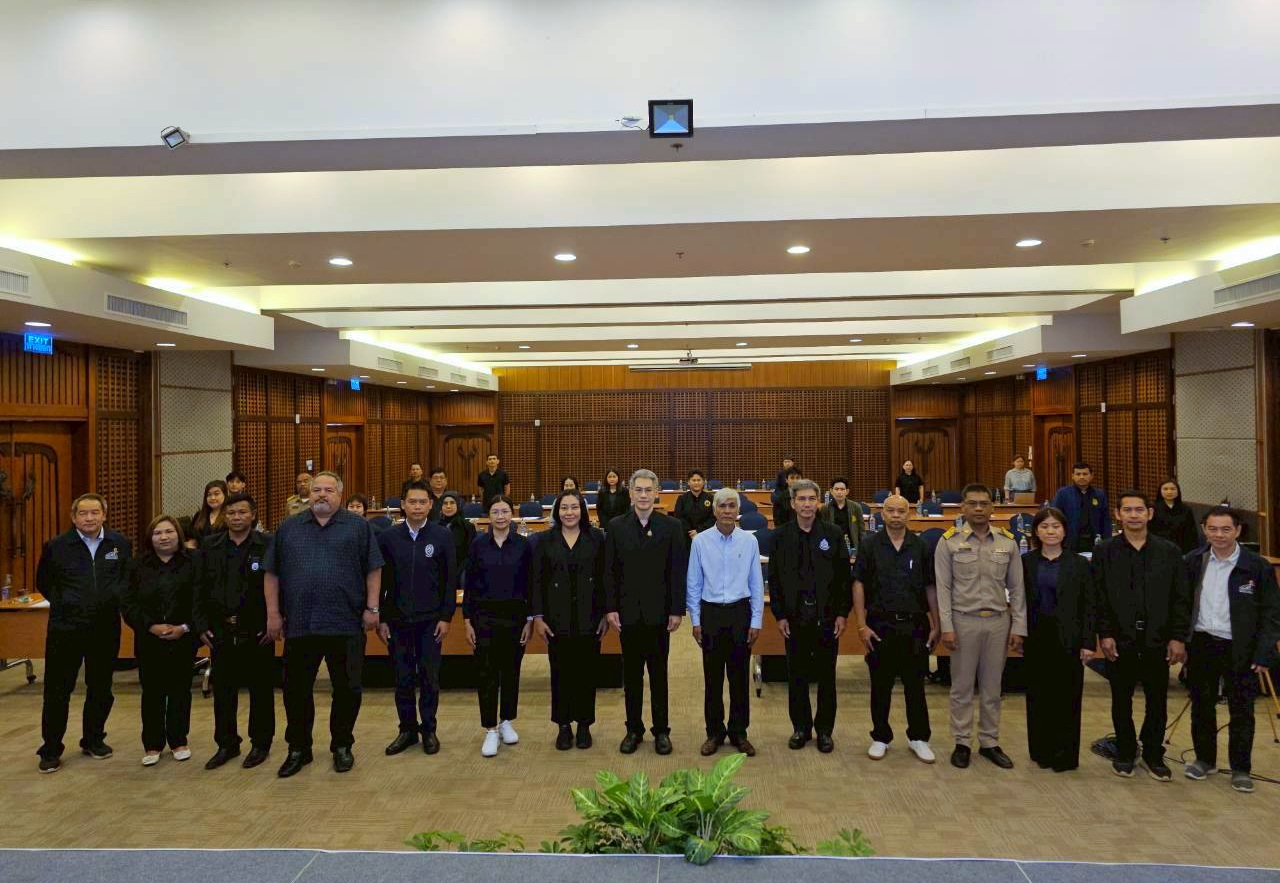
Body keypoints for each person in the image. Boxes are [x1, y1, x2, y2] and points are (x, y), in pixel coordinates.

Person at [265, 471, 384, 777]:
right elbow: (272, 573)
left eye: (328, 490)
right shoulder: (289, 527)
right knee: (296, 690)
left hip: (346, 622)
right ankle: (298, 748)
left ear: (340, 495)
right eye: (316, 489)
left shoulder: (358, 527)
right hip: (300, 623)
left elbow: (373, 569)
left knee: (347, 689)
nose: (321, 494)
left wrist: (373, 607)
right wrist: (273, 614)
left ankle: (342, 745)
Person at [1092, 490, 1190, 781]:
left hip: (1158, 638)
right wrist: (1105, 633)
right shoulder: (1105, 551)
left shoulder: (1169, 551)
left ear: (1150, 514)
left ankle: (1153, 753)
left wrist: (1178, 637)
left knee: (1157, 700)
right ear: (1118, 514)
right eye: (1128, 510)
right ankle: (1125, 751)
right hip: (1119, 638)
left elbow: (1181, 598)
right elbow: (1099, 596)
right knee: (1121, 699)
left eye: (1139, 510)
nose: (1133, 515)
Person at [1182, 508, 1280, 793]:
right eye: (1213, 529)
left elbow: (1272, 613)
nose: (1219, 535)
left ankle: (1240, 768)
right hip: (1202, 643)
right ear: (1204, 530)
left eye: (1226, 529)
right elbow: (1180, 604)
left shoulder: (1257, 566)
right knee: (1201, 705)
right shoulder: (1193, 561)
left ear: (1238, 531)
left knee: (1242, 710)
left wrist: (1264, 652)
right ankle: (1204, 760)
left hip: (1241, 647)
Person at [35, 493, 132, 773]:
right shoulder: (56, 546)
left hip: (105, 628)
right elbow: (44, 582)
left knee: (100, 687)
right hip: (65, 629)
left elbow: (126, 578)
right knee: (58, 690)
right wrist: (67, 602)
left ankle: (93, 739)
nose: (89, 518)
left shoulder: (119, 543)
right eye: (83, 513)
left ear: (104, 515)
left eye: (94, 513)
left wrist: (112, 599)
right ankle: (51, 748)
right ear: (73, 517)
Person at [935, 483, 1026, 770]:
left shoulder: (1007, 542)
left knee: (992, 688)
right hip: (963, 621)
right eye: (972, 503)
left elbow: (1017, 589)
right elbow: (943, 589)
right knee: (961, 687)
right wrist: (946, 626)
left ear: (992, 508)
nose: (978, 509)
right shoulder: (948, 542)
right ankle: (962, 742)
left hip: (998, 622)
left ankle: (989, 742)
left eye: (983, 504)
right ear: (962, 507)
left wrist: (1019, 626)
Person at [604, 469, 687, 755]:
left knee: (659, 675)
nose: (643, 495)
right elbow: (609, 572)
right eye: (638, 490)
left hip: (659, 615)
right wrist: (611, 608)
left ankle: (661, 730)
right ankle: (633, 729)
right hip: (627, 615)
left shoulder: (671, 526)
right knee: (632, 677)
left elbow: (677, 571)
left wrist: (677, 609)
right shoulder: (616, 526)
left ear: (656, 494)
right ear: (630, 494)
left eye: (647, 490)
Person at [853, 494, 938, 764]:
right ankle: (880, 736)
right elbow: (858, 584)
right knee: (881, 685)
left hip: (915, 625)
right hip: (880, 624)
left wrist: (936, 623)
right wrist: (861, 625)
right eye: (890, 511)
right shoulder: (870, 545)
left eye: (901, 511)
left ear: (909, 514)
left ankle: (919, 738)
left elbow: (930, 586)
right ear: (882, 514)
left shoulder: (921, 546)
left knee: (916, 685)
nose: (896, 515)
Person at [769, 479, 852, 753]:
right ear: (793, 503)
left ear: (818, 503)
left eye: (811, 499)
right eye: (801, 499)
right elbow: (774, 580)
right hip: (794, 618)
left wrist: (842, 613)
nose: (806, 504)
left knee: (827, 677)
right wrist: (779, 615)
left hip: (827, 617)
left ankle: (824, 731)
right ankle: (801, 728)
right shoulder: (780, 536)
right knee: (797, 677)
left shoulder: (833, 534)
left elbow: (844, 578)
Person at [194, 492, 275, 770]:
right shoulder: (210, 545)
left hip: (259, 629)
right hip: (221, 630)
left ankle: (261, 743)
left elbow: (280, 584)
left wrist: (275, 620)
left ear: (253, 515)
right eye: (231, 513)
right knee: (224, 691)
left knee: (260, 691)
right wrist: (201, 624)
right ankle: (226, 744)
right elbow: (199, 587)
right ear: (224, 516)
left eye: (242, 512)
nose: (236, 517)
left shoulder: (268, 544)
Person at [375, 480, 456, 758]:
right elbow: (381, 581)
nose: (417, 507)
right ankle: (407, 729)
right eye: (412, 502)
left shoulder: (442, 536)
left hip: (431, 621)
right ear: (403, 505)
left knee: (429, 678)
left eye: (423, 502)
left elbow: (450, 580)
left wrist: (446, 617)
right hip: (397, 620)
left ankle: (429, 729)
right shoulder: (388, 538)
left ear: (430, 505)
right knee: (403, 677)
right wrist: (381, 617)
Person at [687, 488, 763, 757]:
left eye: (732, 506)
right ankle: (714, 733)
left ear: (738, 510)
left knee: (739, 678)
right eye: (723, 506)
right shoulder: (700, 542)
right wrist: (695, 620)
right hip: (711, 614)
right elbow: (693, 584)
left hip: (740, 613)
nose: (727, 511)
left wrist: (756, 620)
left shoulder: (749, 541)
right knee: (713, 678)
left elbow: (756, 583)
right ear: (715, 510)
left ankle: (739, 732)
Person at [531, 489, 608, 750]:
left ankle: (584, 725)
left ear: (582, 510)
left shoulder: (597, 538)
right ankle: (563, 725)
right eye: (564, 508)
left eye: (574, 507)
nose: (569, 513)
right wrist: (538, 617)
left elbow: (605, 579)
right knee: (560, 673)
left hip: (590, 618)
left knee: (587, 673)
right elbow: (537, 581)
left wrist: (605, 613)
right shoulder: (544, 540)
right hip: (556, 619)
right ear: (557, 511)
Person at [122, 515, 199, 767]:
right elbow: (128, 603)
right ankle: (152, 743)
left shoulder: (194, 561)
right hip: (149, 638)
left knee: (180, 690)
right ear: (150, 537)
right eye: (158, 533)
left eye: (169, 532)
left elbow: (202, 599)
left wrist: (185, 627)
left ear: (178, 535)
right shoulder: (136, 566)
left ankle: (179, 740)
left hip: (183, 637)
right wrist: (151, 626)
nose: (164, 537)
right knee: (152, 691)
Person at [1020, 507, 1093, 772]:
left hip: (1069, 638)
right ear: (1036, 532)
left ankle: (1065, 754)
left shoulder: (1079, 563)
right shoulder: (1026, 562)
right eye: (1044, 527)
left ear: (1064, 531)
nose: (1050, 531)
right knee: (1038, 695)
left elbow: (1089, 605)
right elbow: (1019, 601)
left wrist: (1088, 642)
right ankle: (1041, 750)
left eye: (1056, 526)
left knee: (1067, 697)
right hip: (1036, 636)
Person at [464, 495, 533, 757]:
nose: (501, 516)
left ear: (512, 514)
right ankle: (490, 728)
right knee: (487, 673)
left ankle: (506, 721)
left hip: (515, 619)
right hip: (484, 618)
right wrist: (467, 620)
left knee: (511, 671)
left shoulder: (523, 545)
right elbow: (469, 585)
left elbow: (530, 584)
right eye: (495, 512)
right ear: (489, 516)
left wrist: (529, 619)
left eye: (505, 511)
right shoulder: (478, 545)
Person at [1052, 463, 1111, 553]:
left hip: (1094, 540)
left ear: (1091, 476)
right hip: (1070, 541)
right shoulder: (1063, 494)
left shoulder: (1099, 495)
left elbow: (1105, 520)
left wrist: (1107, 541)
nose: (1082, 477)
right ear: (1073, 476)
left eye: (1085, 474)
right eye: (1078, 474)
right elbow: (1056, 518)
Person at [1151, 479, 1200, 554]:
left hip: (1181, 549)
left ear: (1178, 491)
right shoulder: (1153, 509)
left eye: (1172, 489)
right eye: (1165, 489)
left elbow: (1192, 532)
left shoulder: (1186, 509)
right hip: (1159, 548)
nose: (1169, 492)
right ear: (1160, 491)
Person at [820, 477, 864, 555]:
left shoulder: (856, 507)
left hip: (852, 547)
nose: (839, 492)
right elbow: (821, 530)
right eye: (836, 489)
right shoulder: (825, 508)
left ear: (847, 491)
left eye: (842, 489)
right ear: (831, 491)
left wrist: (863, 548)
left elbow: (861, 531)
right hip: (832, 546)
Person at [438, 492, 477, 573]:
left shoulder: (467, 527)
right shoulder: (435, 527)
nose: (448, 506)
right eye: (445, 503)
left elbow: (471, 554)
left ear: (458, 505)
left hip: (462, 571)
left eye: (452, 503)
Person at [674, 469, 716, 539]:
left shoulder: (710, 498)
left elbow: (713, 517)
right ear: (688, 482)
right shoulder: (682, 498)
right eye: (693, 480)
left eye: (699, 480)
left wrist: (699, 531)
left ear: (703, 482)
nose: (696, 483)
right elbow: (678, 517)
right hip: (687, 536)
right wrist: (690, 532)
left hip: (706, 535)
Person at [188, 479, 228, 547]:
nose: (212, 498)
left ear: (225, 495)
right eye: (209, 495)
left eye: (216, 494)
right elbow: (192, 538)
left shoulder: (230, 515)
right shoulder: (199, 515)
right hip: (200, 552)